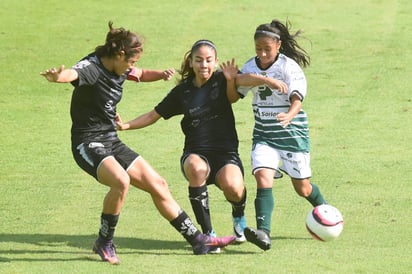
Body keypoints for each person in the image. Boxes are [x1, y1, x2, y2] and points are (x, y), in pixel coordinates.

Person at [40, 22, 236, 264]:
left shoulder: (120, 67)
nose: (132, 67)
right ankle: (104, 241)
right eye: (131, 61)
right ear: (120, 55)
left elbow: (140, 74)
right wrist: (59, 77)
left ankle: (198, 240)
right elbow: (74, 73)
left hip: (110, 139)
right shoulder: (92, 68)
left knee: (158, 183)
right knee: (121, 181)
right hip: (87, 142)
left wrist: (160, 75)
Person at [116, 39, 269, 250]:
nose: (203, 65)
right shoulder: (182, 92)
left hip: (226, 154)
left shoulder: (222, 80)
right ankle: (208, 235)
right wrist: (125, 125)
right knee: (197, 169)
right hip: (196, 152)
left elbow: (245, 81)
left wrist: (265, 80)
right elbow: (154, 115)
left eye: (208, 60)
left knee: (234, 188)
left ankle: (239, 218)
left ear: (215, 62)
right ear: (191, 62)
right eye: (198, 60)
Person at [235, 19, 328, 251]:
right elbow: (239, 83)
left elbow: (297, 98)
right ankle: (264, 233)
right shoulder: (250, 66)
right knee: (262, 178)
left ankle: (326, 210)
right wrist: (265, 79)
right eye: (259, 49)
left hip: (292, 134)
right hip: (264, 134)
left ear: (278, 45)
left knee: (303, 188)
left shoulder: (289, 67)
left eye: (268, 48)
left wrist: (289, 115)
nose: (263, 53)